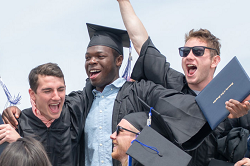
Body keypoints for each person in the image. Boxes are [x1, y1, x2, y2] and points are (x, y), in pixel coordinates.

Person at [2, 24, 240, 166]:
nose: (92, 62)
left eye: (99, 56)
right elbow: (49, 125)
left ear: (118, 61)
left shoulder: (139, 91)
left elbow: (179, 105)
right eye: (88, 58)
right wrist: (17, 123)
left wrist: (224, 109)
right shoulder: (79, 101)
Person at [116, 0, 250, 165]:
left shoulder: (235, 97)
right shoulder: (172, 85)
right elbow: (141, 44)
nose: (189, 56)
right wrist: (123, 1)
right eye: (185, 52)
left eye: (198, 52)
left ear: (215, 61)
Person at [1, 63, 85, 166]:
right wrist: (20, 144)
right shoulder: (17, 125)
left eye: (61, 89)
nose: (56, 97)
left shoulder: (74, 111)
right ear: (32, 94)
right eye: (48, 91)